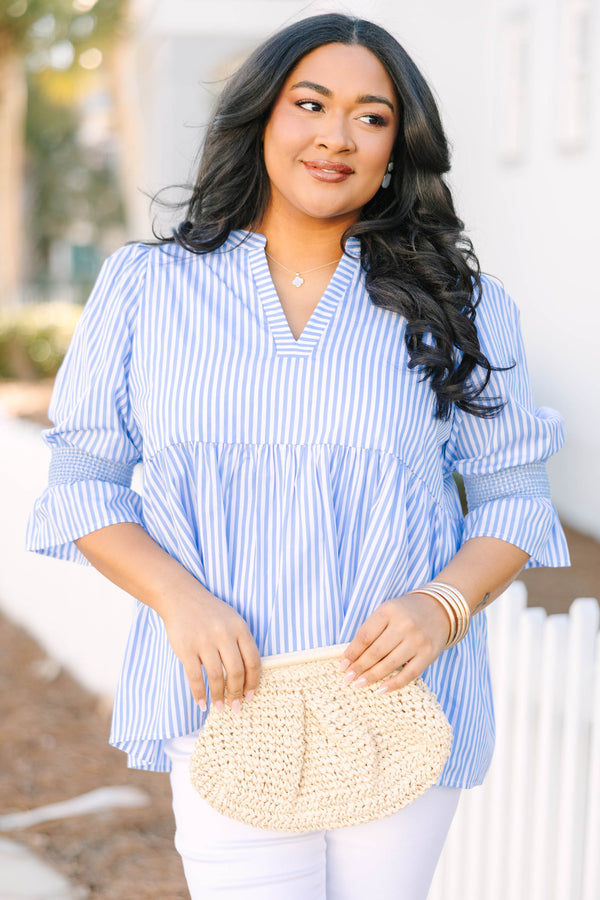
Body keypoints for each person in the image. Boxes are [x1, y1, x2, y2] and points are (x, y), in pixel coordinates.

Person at [27, 12, 569, 900]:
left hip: (397, 697)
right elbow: (84, 483)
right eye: (310, 103)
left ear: (399, 146)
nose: (336, 136)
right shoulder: (147, 288)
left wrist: (444, 605)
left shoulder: (459, 304)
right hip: (226, 701)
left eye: (371, 116)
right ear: (261, 118)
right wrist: (179, 601)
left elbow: (513, 497)